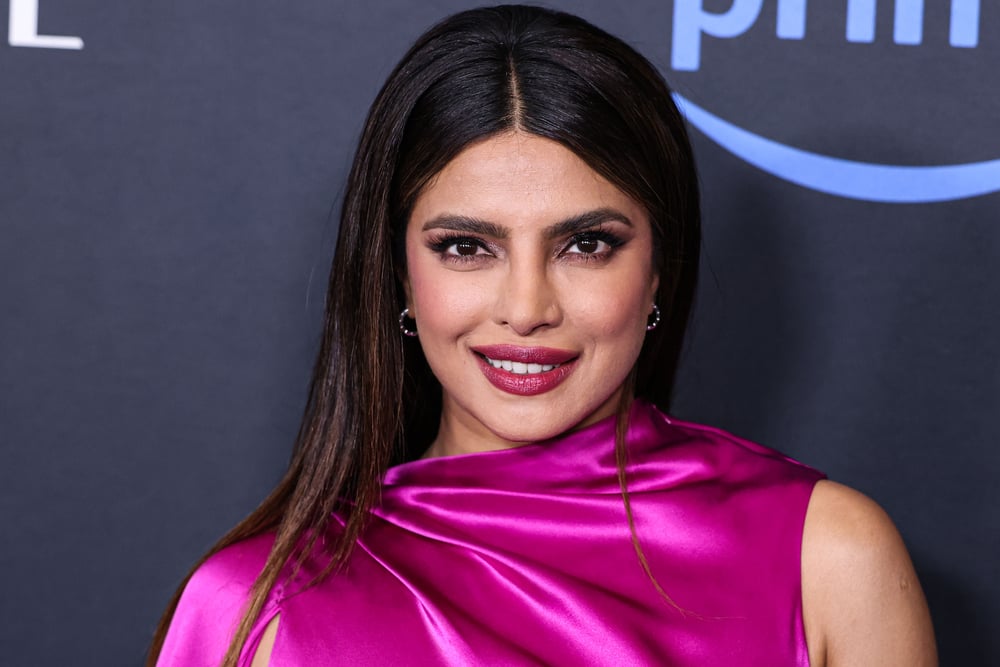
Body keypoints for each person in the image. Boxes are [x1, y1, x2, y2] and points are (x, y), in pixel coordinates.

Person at [148, 5, 936, 666]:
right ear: (398, 274)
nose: (526, 307)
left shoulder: (826, 557)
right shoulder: (255, 608)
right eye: (466, 247)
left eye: (586, 244)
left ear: (658, 269)